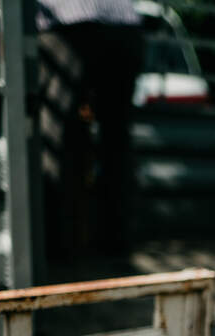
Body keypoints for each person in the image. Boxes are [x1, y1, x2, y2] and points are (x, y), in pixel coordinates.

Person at [36, 0, 144, 259]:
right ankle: (116, 241)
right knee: (116, 141)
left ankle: (58, 244)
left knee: (54, 136)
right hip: (126, 24)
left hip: (69, 21)